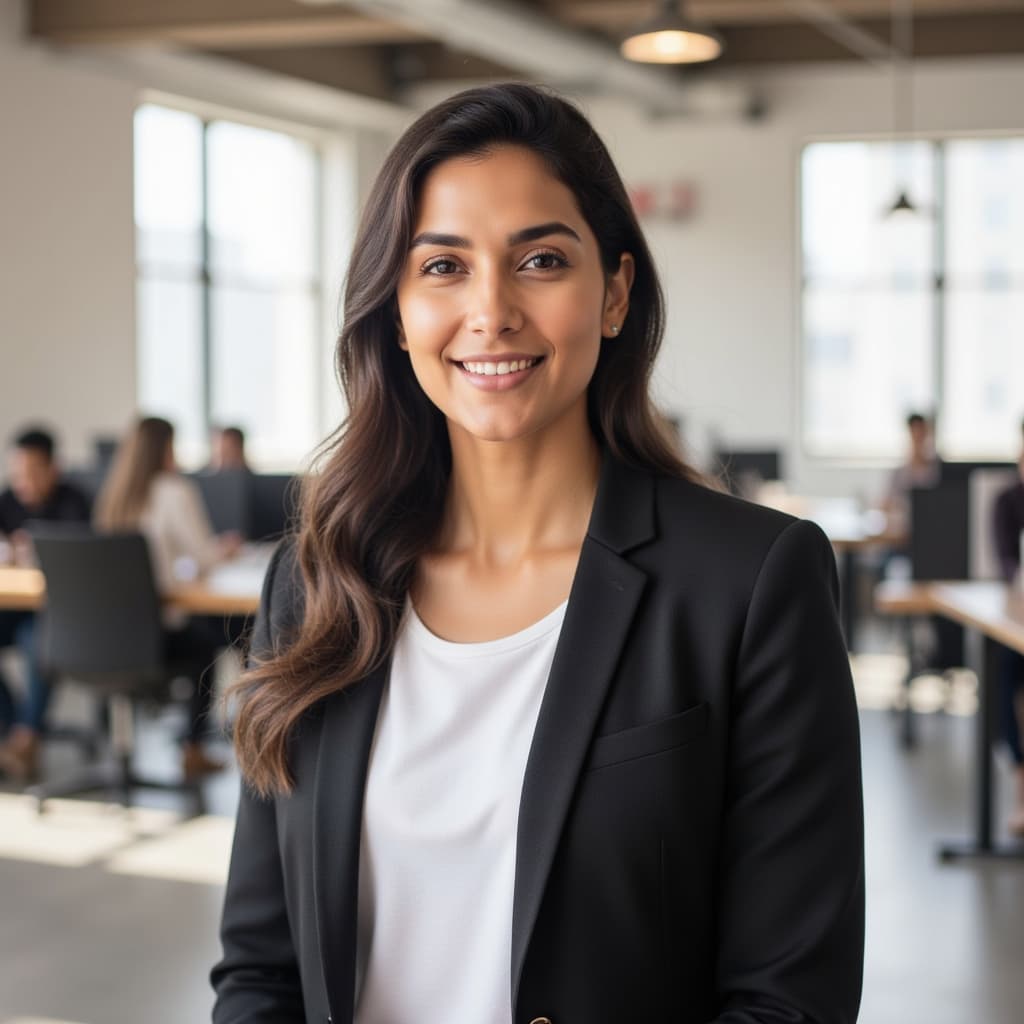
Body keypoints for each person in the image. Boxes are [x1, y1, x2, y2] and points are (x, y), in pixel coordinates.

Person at [212, 84, 864, 1024]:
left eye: (542, 260)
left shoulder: (750, 582)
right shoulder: (319, 583)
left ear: (614, 293)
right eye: (442, 266)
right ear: (396, 312)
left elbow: (788, 998)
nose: (491, 311)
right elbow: (262, 971)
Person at [94, 416, 241, 780]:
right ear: (165, 449)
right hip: (152, 641)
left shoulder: (112, 499)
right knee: (208, 645)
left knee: (200, 636)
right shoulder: (173, 491)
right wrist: (227, 550)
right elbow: (204, 556)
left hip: (102, 641)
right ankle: (192, 746)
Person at [0, 427, 91, 780]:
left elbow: (81, 552)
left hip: (57, 610)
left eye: (33, 472)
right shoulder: (6, 500)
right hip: (12, 605)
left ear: (54, 468)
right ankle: (15, 731)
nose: (24, 481)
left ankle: (26, 737)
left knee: (36, 639)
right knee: (26, 632)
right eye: (18, 472)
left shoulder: (75, 501)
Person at [993, 416, 1024, 835]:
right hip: (1018, 613)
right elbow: (1007, 565)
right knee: (1003, 669)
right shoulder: (1008, 501)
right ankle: (1020, 778)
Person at [882, 411, 942, 537]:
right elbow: (886, 504)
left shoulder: (938, 470)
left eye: (922, 433)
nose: (918, 438)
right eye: (914, 433)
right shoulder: (899, 473)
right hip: (903, 534)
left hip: (931, 531)